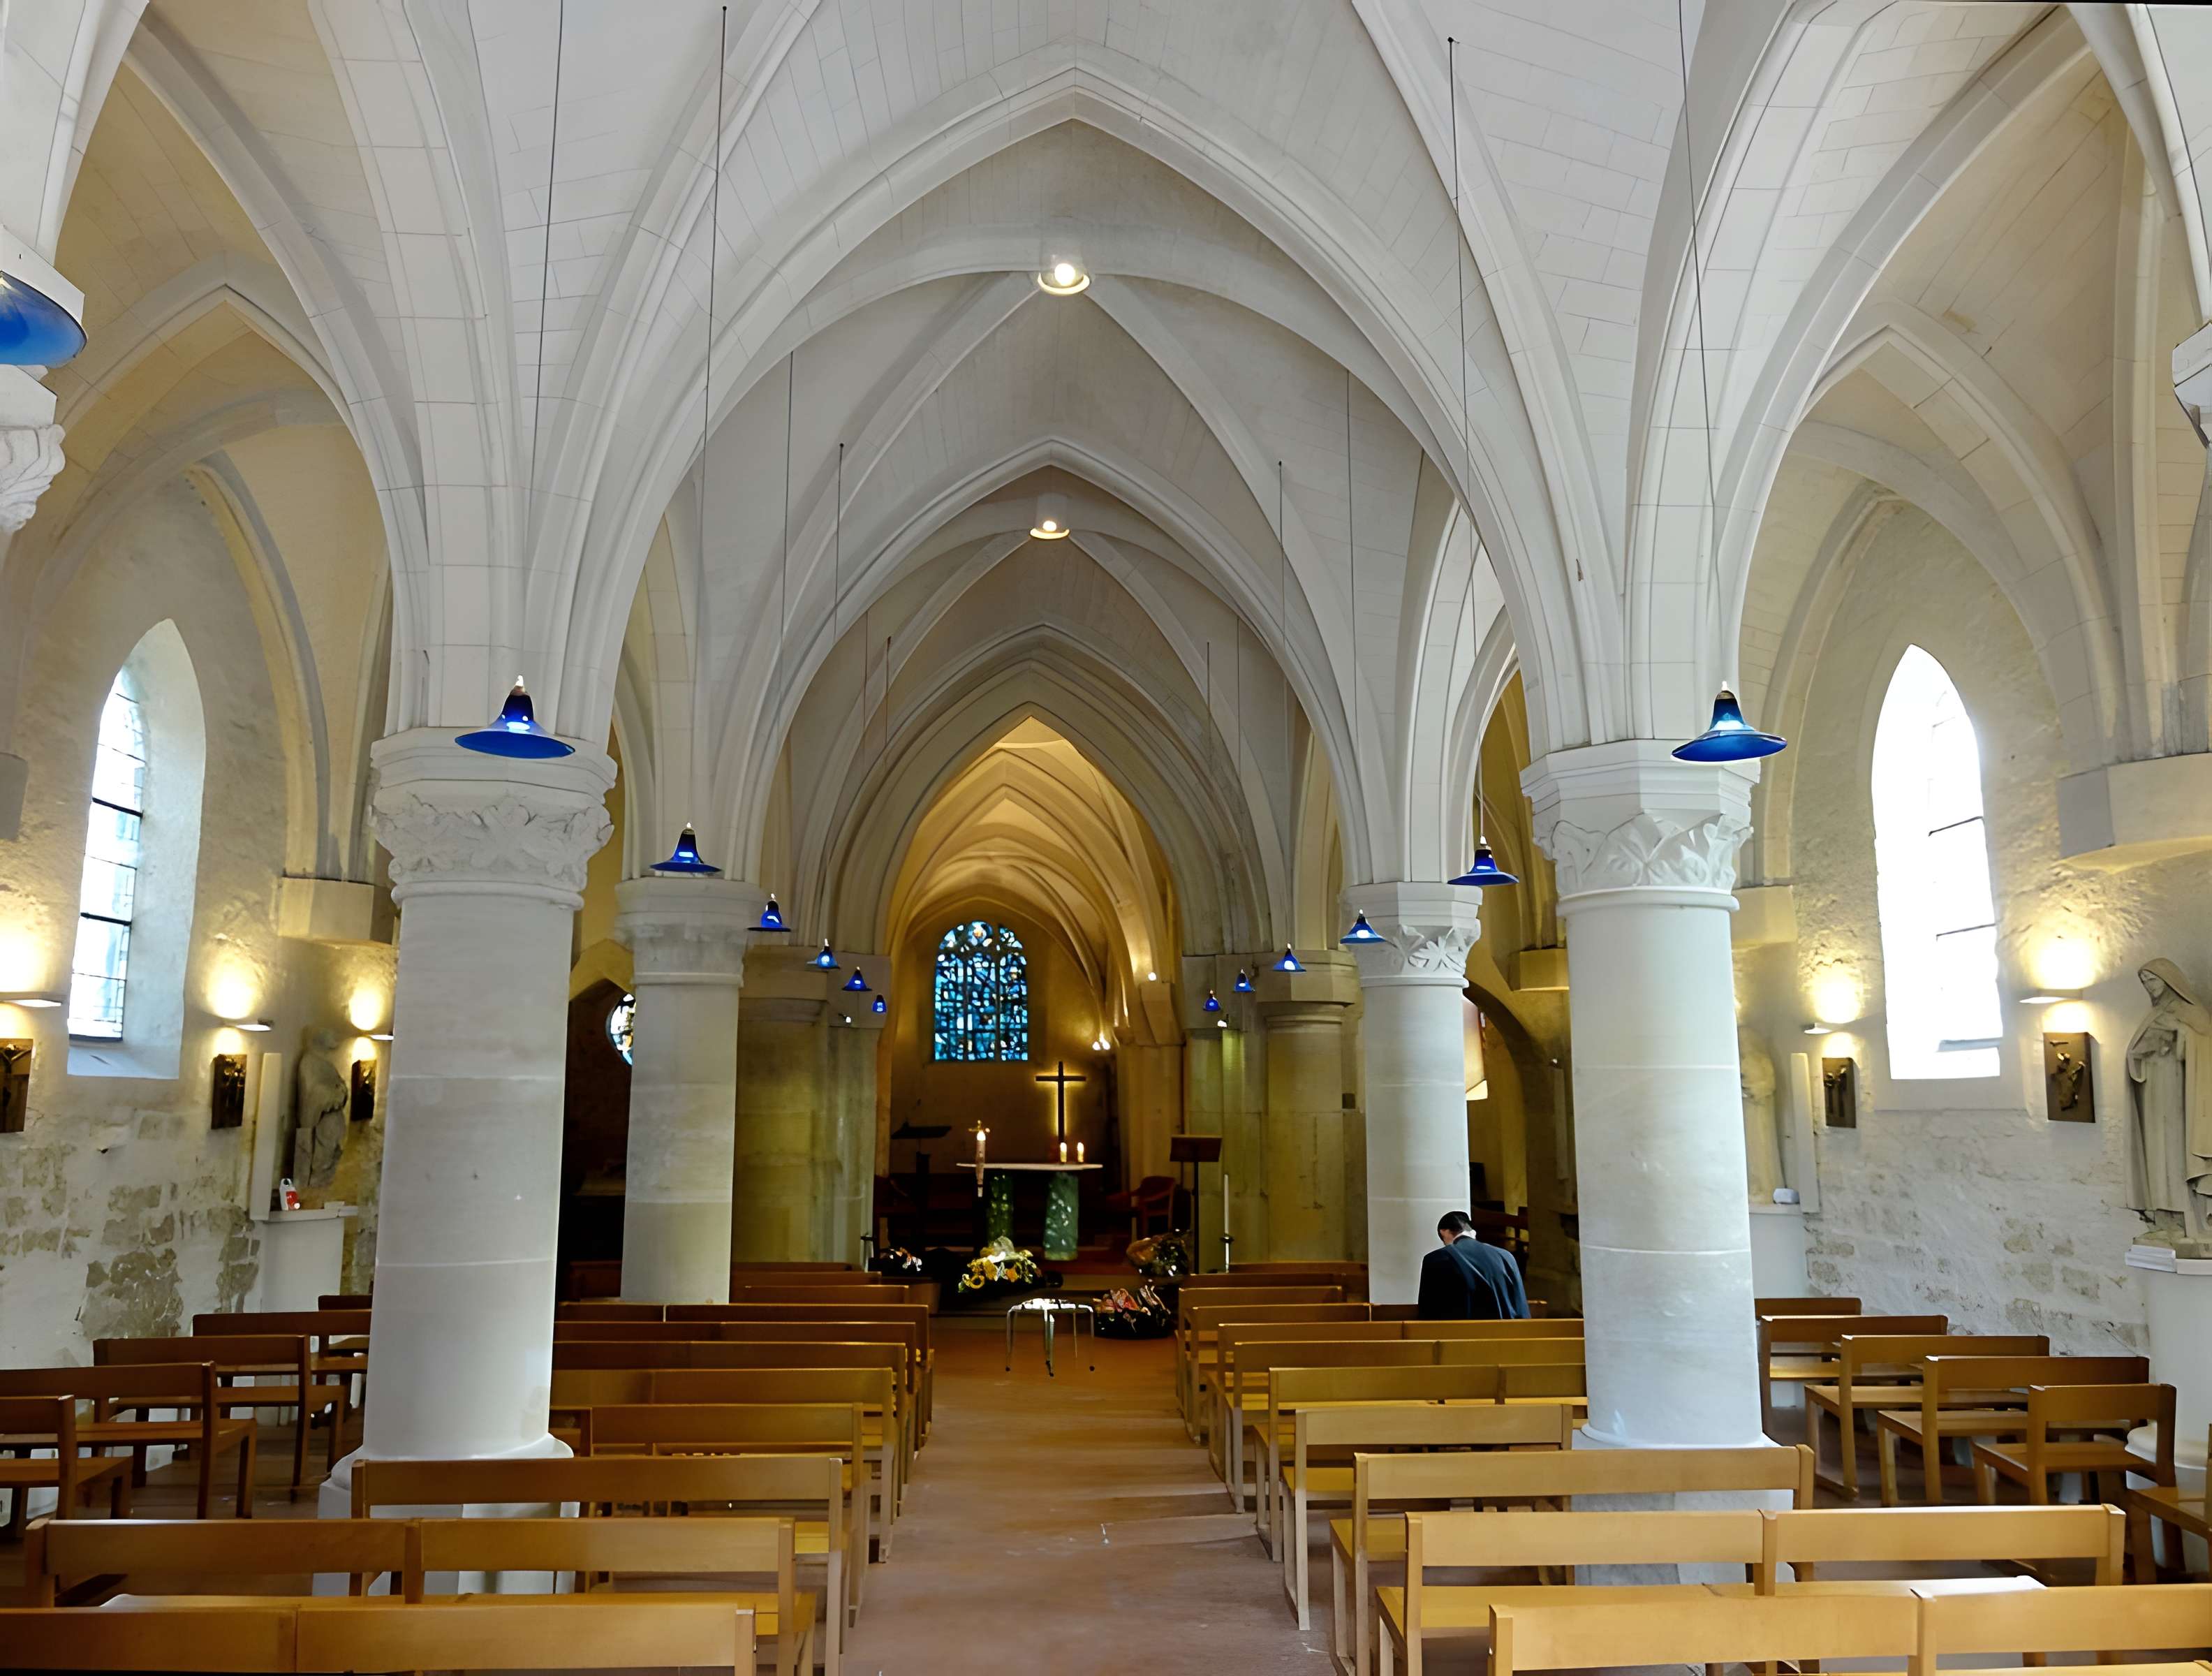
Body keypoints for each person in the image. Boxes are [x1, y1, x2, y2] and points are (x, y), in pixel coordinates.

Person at [1416, 1210, 1529, 1320]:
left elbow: (1427, 1312)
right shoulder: (1506, 1257)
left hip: (1459, 1336)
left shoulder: (1436, 1260)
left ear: (1444, 1232)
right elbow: (1521, 1309)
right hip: (1504, 1335)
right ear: (1473, 1232)